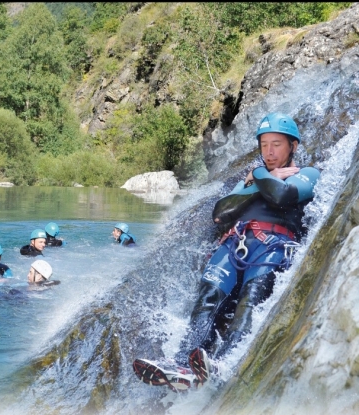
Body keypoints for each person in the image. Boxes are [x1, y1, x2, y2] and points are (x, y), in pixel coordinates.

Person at [133, 112, 320, 392]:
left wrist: (256, 176)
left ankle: (225, 361)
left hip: (273, 247)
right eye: (264, 144)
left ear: (293, 146)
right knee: (207, 300)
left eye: (277, 144)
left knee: (249, 303)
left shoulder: (307, 174)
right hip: (235, 244)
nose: (268, 152)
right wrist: (260, 181)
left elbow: (282, 196)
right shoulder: (251, 181)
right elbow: (221, 214)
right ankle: (183, 364)